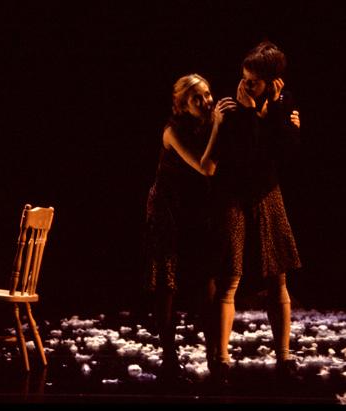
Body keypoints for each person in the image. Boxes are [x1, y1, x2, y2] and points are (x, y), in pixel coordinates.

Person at [208, 41, 302, 384]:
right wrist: (250, 114)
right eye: (244, 78)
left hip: (267, 195)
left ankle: (285, 356)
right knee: (229, 277)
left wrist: (274, 112)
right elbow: (243, 156)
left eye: (254, 81)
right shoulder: (233, 108)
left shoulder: (283, 105)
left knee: (278, 276)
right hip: (233, 197)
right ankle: (220, 359)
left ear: (274, 82)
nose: (245, 85)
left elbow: (285, 153)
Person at [144, 74, 236, 381]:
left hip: (196, 209)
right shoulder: (173, 131)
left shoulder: (208, 125)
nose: (207, 101)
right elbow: (205, 167)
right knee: (167, 280)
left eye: (208, 94)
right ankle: (168, 356)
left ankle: (214, 354)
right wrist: (219, 128)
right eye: (197, 97)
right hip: (168, 209)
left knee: (205, 278)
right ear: (182, 105)